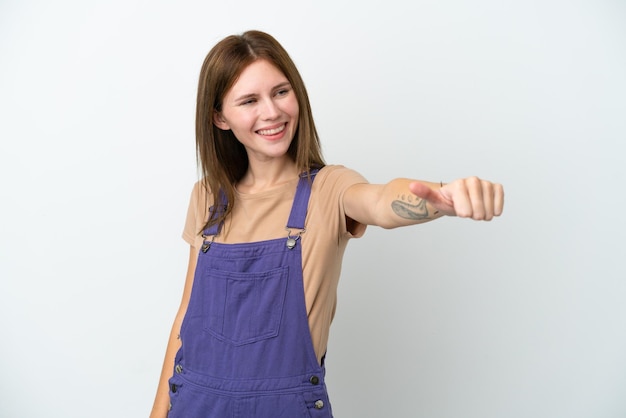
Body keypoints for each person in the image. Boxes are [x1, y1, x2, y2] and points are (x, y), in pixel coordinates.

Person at [149, 30, 504, 418]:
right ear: (219, 117)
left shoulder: (328, 188)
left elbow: (381, 201)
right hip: (195, 405)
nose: (271, 112)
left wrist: (442, 196)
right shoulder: (207, 197)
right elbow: (186, 313)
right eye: (249, 100)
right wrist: (157, 412)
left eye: (281, 92)